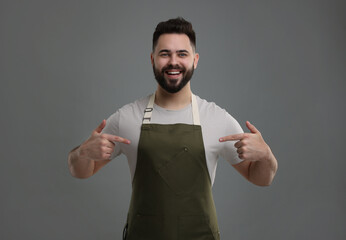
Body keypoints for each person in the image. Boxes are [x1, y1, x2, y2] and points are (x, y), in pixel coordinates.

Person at [68, 17, 278, 240]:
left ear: (195, 60)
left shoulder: (217, 119)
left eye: (182, 54)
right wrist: (81, 152)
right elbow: (82, 171)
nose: (173, 62)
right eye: (165, 54)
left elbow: (261, 178)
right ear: (152, 59)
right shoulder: (127, 118)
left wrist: (267, 156)